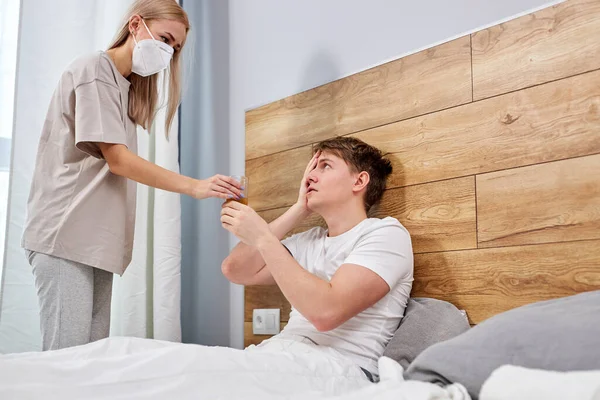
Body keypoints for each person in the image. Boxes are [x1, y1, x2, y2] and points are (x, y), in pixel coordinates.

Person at [21, 0, 242, 351]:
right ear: (136, 24)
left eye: (176, 47)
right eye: (165, 38)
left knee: (89, 360)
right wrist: (195, 186)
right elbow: (119, 161)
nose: (168, 51)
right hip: (65, 234)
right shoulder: (95, 70)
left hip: (93, 242)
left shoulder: (124, 89)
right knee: (64, 362)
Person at [221, 136, 414, 380]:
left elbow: (326, 314)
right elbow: (235, 269)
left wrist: (263, 236)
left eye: (325, 166)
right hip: (282, 355)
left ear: (359, 180)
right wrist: (299, 208)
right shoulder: (309, 240)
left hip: (342, 368)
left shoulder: (385, 234)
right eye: (312, 168)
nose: (310, 176)